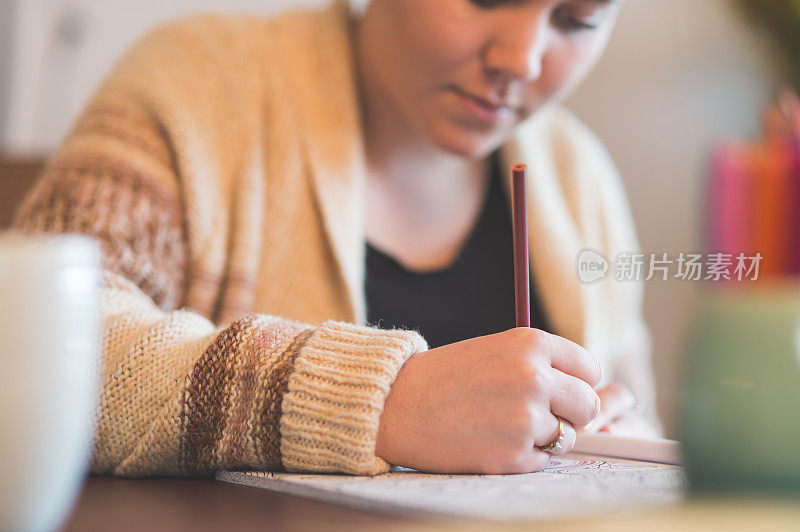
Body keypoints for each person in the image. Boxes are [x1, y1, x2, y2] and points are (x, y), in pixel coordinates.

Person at [12, 0, 658, 477]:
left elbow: (634, 405)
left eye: (575, 20)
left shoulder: (580, 177)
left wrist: (614, 438)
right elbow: (34, 342)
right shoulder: (199, 86)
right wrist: (387, 402)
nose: (521, 59)